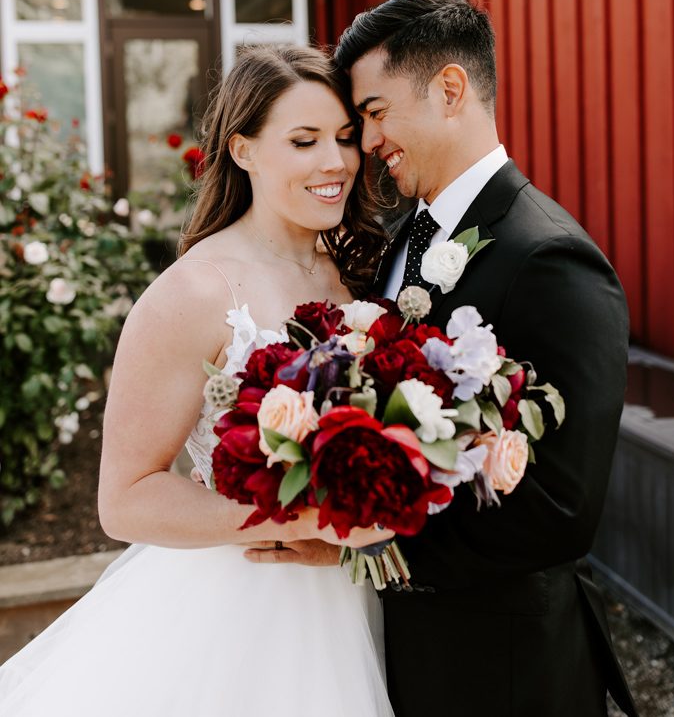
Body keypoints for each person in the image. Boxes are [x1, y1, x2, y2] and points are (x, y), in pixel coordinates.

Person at [251, 0, 638, 717]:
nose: (365, 143)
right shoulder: (406, 237)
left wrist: (362, 547)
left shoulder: (549, 256)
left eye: (372, 113)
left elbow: (559, 510)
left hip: (497, 671)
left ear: (450, 90)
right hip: (399, 651)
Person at [0, 45, 396, 717]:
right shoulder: (192, 292)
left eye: (344, 137)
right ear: (242, 150)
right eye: (304, 141)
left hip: (359, 592)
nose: (336, 162)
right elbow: (123, 499)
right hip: (242, 608)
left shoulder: (362, 269)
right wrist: (301, 517)